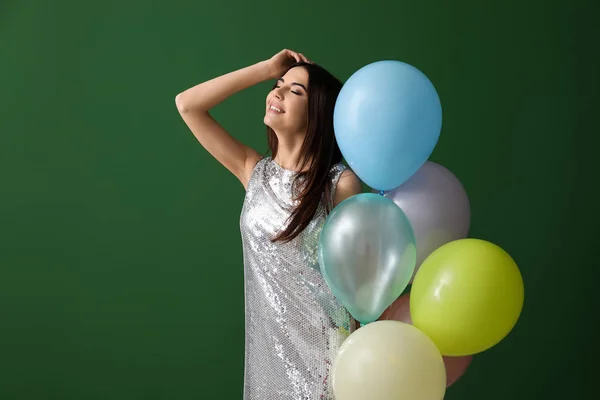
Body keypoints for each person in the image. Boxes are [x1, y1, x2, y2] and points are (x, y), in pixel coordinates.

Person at [175, 49, 363, 399]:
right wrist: (265, 69)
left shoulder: (339, 185)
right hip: (268, 365)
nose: (277, 92)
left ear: (318, 113)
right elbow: (187, 104)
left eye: (295, 91)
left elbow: (357, 289)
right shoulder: (253, 172)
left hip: (326, 362)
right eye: (278, 85)